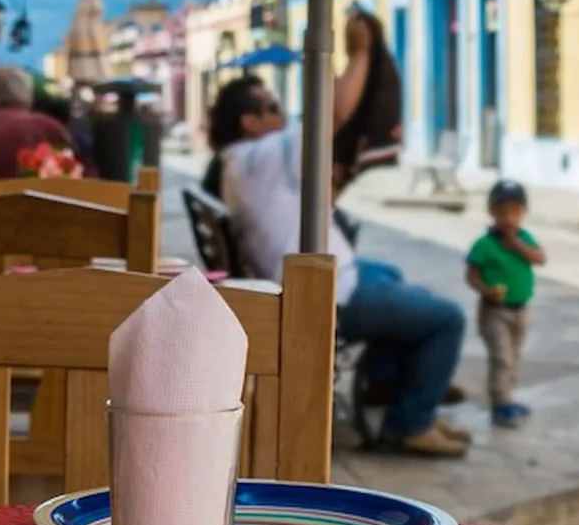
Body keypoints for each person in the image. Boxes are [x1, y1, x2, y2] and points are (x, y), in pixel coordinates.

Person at [206, 76, 470, 457]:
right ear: (249, 121)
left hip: (322, 277)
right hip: (325, 293)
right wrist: (361, 53)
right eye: (272, 107)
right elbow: (330, 115)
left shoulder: (242, 162)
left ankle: (392, 383)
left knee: (395, 277)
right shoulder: (262, 155)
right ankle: (412, 422)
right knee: (447, 319)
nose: (281, 114)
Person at [464, 181, 544, 428]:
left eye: (515, 212)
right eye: (502, 212)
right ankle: (499, 404)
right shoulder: (485, 245)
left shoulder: (525, 238)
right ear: (492, 213)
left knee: (514, 356)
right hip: (495, 312)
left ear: (523, 213)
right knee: (502, 358)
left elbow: (540, 258)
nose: (508, 219)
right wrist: (486, 291)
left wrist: (518, 245)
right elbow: (471, 275)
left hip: (521, 309)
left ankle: (508, 398)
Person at [330, 8, 403, 191]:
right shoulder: (386, 69)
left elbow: (340, 111)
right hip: (380, 152)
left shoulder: (368, 68)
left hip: (368, 156)